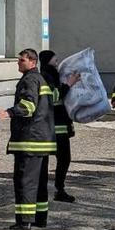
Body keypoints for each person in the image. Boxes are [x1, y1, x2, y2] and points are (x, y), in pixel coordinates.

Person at [0, 49, 56, 230]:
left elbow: (28, 106)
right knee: (39, 182)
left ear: (32, 62)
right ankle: (40, 218)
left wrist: (8, 112)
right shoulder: (41, 79)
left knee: (25, 182)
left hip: (29, 140)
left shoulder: (29, 80)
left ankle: (24, 223)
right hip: (43, 139)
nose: (18, 63)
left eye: (21, 60)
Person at [39, 50, 76, 203]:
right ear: (48, 60)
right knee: (54, 159)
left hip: (60, 125)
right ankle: (50, 190)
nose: (57, 62)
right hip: (53, 126)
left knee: (64, 159)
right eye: (55, 59)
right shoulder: (46, 76)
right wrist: (68, 85)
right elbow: (52, 97)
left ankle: (58, 189)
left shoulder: (53, 75)